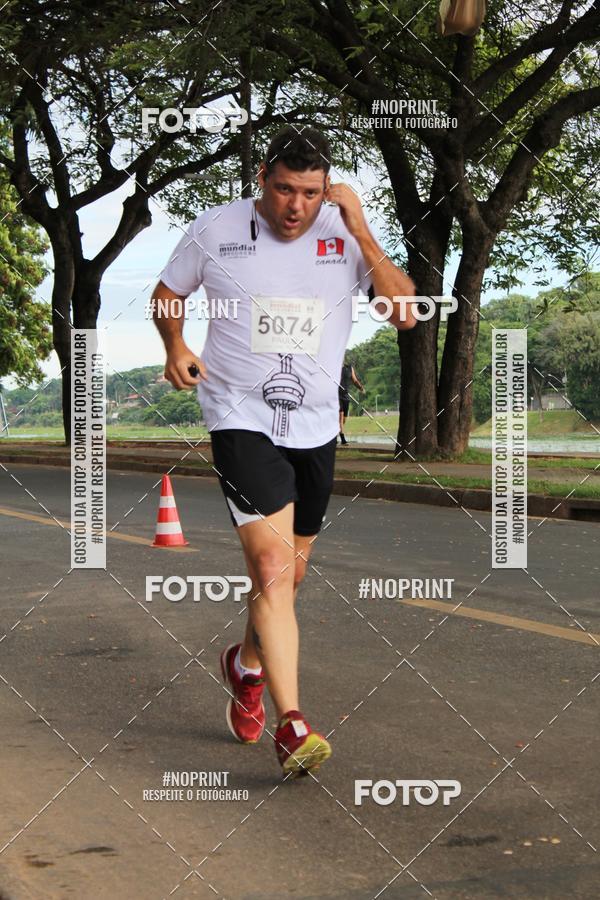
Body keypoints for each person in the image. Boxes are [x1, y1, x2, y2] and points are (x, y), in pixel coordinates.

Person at [152, 126, 417, 777]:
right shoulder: (215, 229)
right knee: (272, 566)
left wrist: (359, 226)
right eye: (284, 189)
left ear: (325, 190)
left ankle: (245, 666)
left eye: (311, 193)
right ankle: (292, 724)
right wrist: (176, 348)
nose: (296, 206)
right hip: (238, 416)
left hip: (316, 427)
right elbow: (167, 295)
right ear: (263, 178)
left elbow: (404, 311)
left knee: (288, 577)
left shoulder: (343, 234)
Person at [338, 357, 364, 445]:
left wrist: (360, 387)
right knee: (341, 416)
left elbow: (355, 380)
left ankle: (335, 432)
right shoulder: (334, 367)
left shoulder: (349, 368)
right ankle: (342, 439)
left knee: (344, 419)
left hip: (345, 395)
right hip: (336, 395)